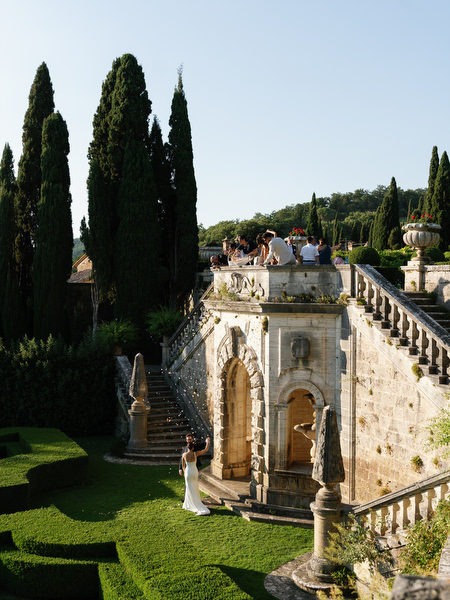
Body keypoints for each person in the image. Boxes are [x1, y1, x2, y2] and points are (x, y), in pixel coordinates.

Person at [182, 437, 211, 516]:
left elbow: (183, 466)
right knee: (195, 487)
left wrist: (185, 472)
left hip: (188, 473)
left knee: (189, 488)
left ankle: (189, 503)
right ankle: (197, 502)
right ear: (193, 447)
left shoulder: (184, 455)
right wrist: (207, 442)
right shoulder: (196, 453)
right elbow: (205, 450)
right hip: (194, 472)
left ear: (187, 447)